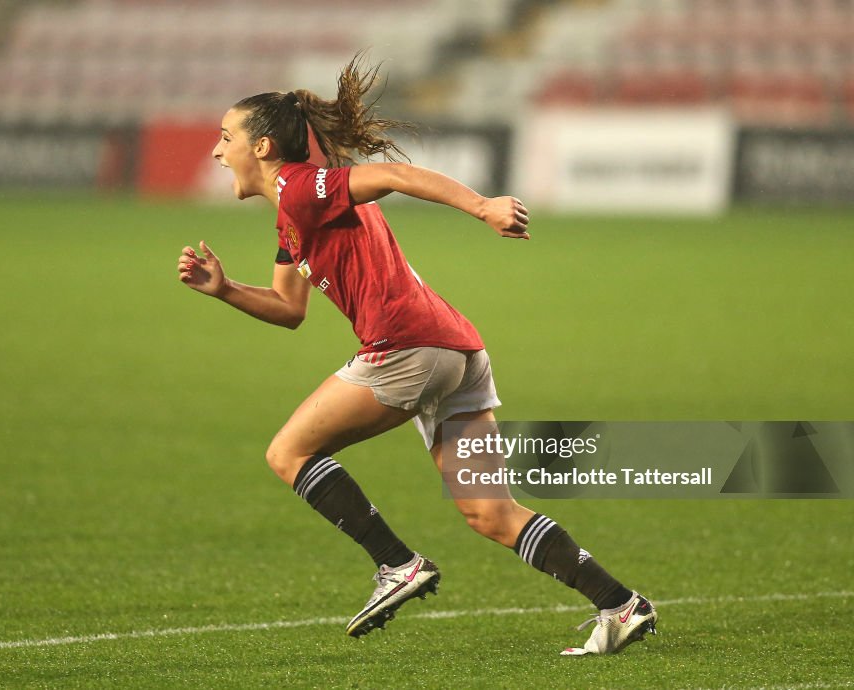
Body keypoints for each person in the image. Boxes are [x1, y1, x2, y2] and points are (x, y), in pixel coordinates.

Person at [176, 54, 657, 655]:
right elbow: (288, 308)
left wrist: (483, 207)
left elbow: (393, 177)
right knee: (491, 515)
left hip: (406, 345)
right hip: (456, 348)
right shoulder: (292, 220)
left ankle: (396, 565)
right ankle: (620, 604)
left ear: (265, 146)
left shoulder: (302, 189)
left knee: (288, 450)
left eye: (227, 138)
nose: (218, 151)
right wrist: (223, 290)